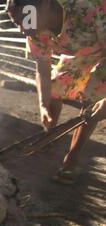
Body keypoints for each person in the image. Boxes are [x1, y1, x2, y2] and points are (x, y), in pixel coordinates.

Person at [6, 0, 105, 184]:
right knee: (53, 87)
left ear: (44, 4)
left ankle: (72, 159)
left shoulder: (88, 8)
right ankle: (50, 134)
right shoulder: (34, 30)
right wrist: (43, 106)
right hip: (82, 53)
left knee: (93, 98)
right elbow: (42, 68)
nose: (21, 29)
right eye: (16, 23)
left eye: (24, 20)